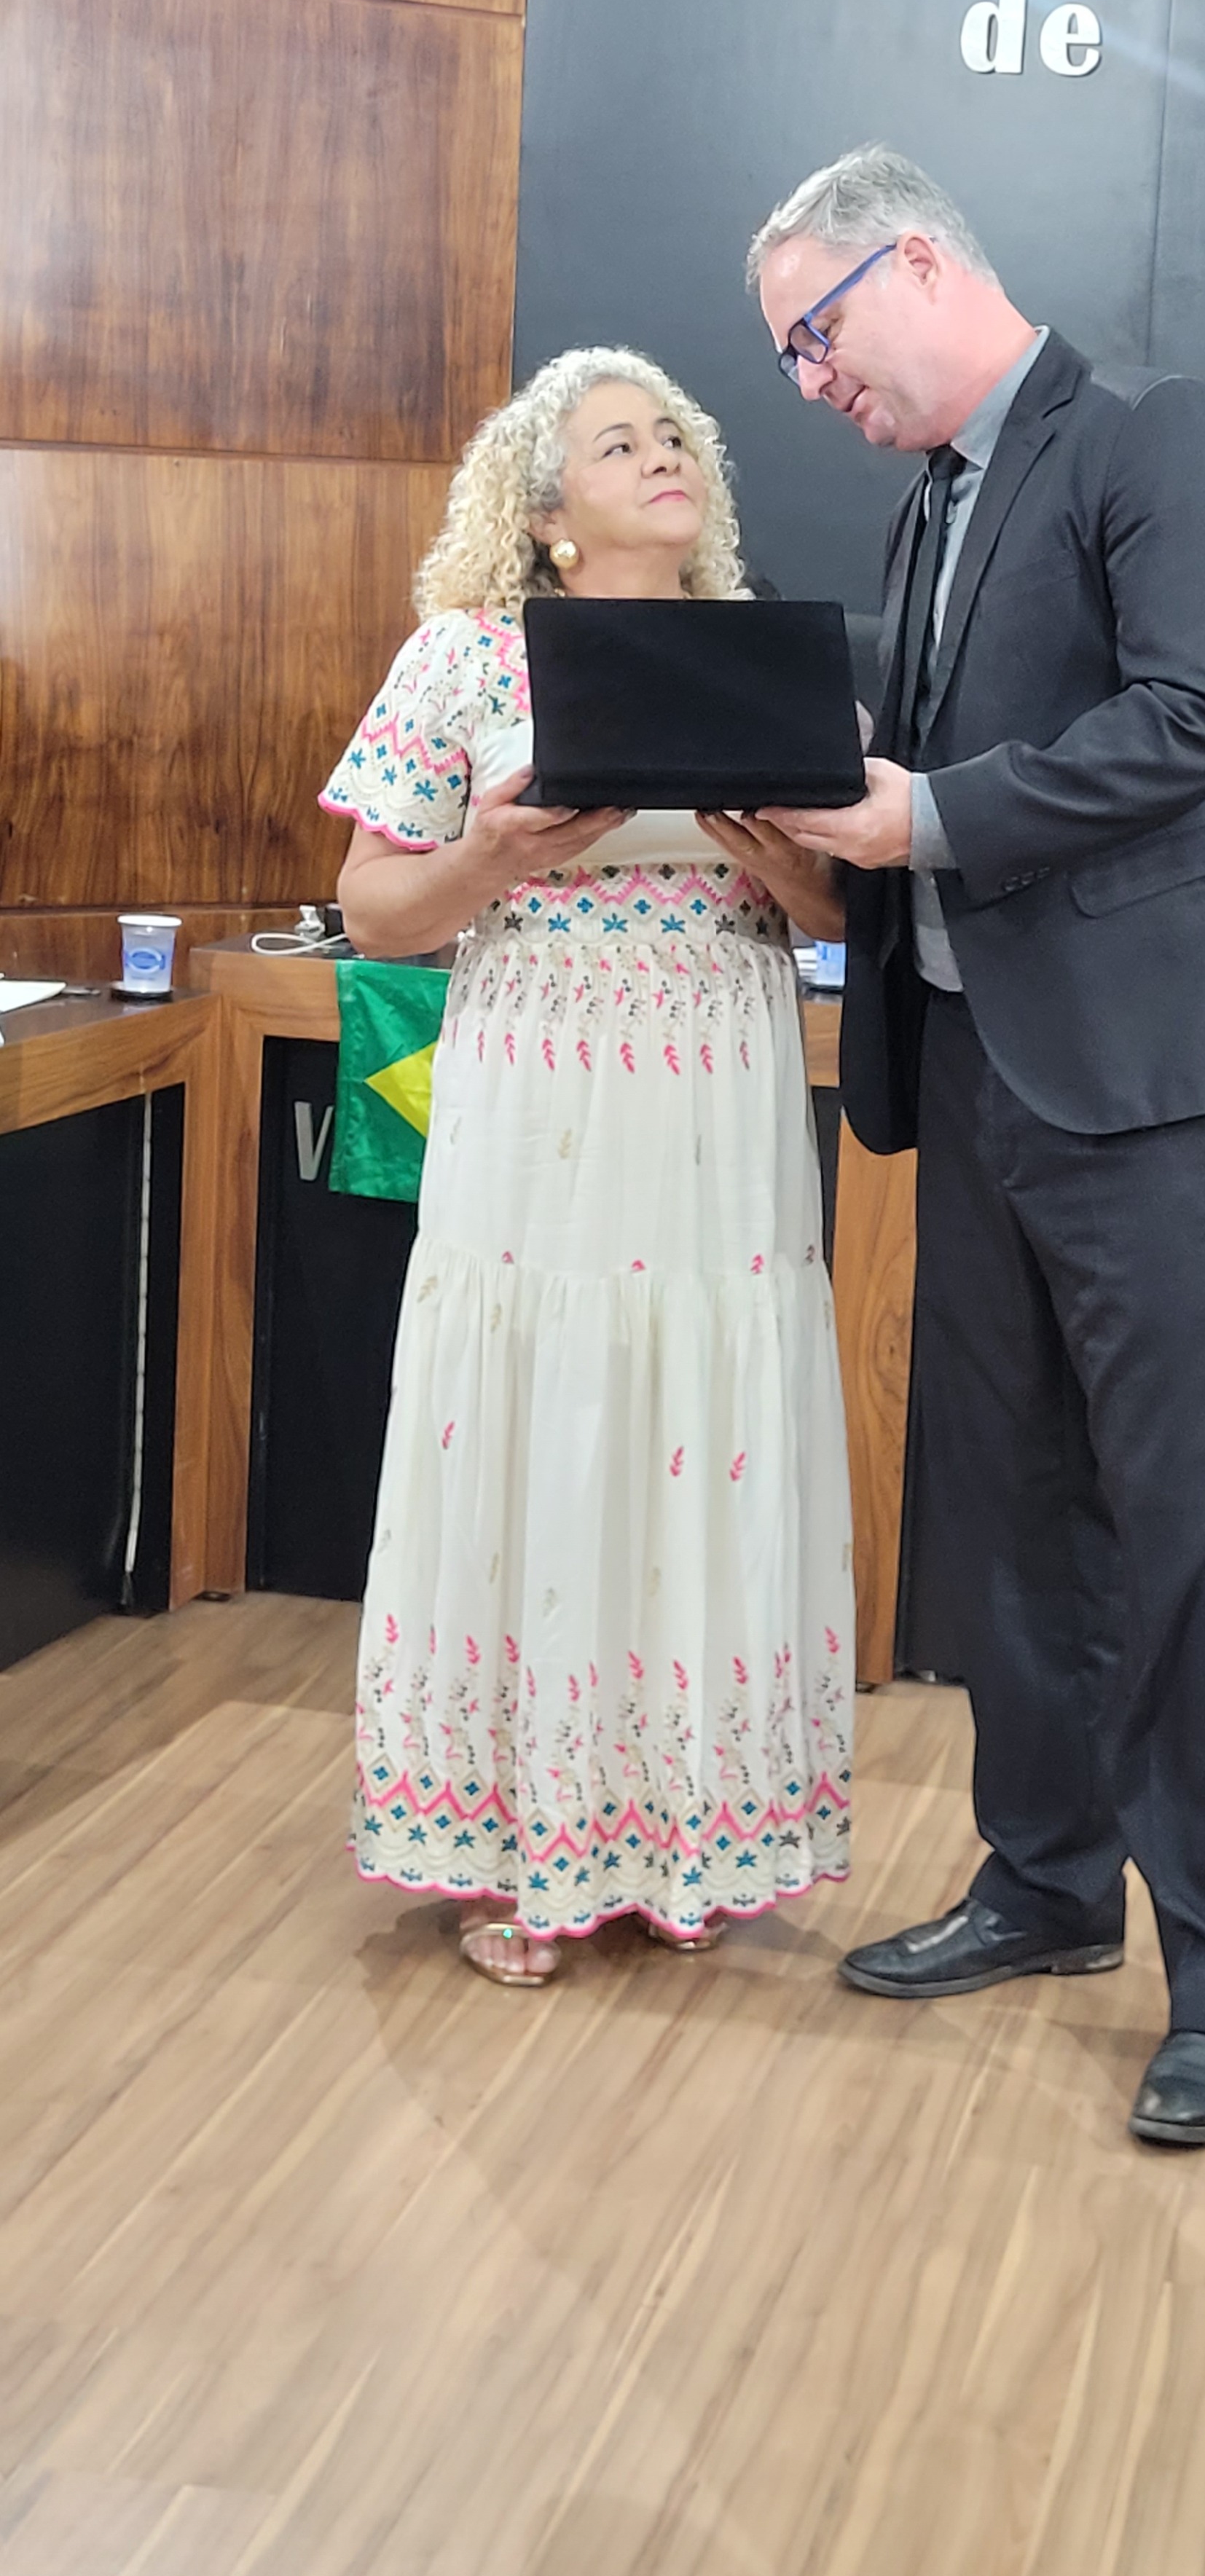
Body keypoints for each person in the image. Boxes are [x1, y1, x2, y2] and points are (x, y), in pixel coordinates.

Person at [749, 146, 1205, 2147]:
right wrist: (816, 820)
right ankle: (1047, 1880)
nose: (809, 382)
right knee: (1019, 1513)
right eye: (789, 360)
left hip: (1157, 1085)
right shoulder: (929, 502)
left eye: (815, 336)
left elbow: (1197, 721)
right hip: (980, 1073)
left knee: (1185, 1530)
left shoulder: (1152, 435)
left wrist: (921, 817)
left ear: (918, 261)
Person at [321, 349, 854, 1985]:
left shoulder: (772, 662)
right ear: (550, 513)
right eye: (619, 444)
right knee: (543, 1417)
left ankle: (687, 1829)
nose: (662, 456)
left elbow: (849, 910)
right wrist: (487, 854)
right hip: (539, 1090)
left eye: (674, 435)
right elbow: (371, 909)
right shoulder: (466, 656)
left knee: (708, 1418)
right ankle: (519, 1840)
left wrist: (790, 866)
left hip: (722, 1091)